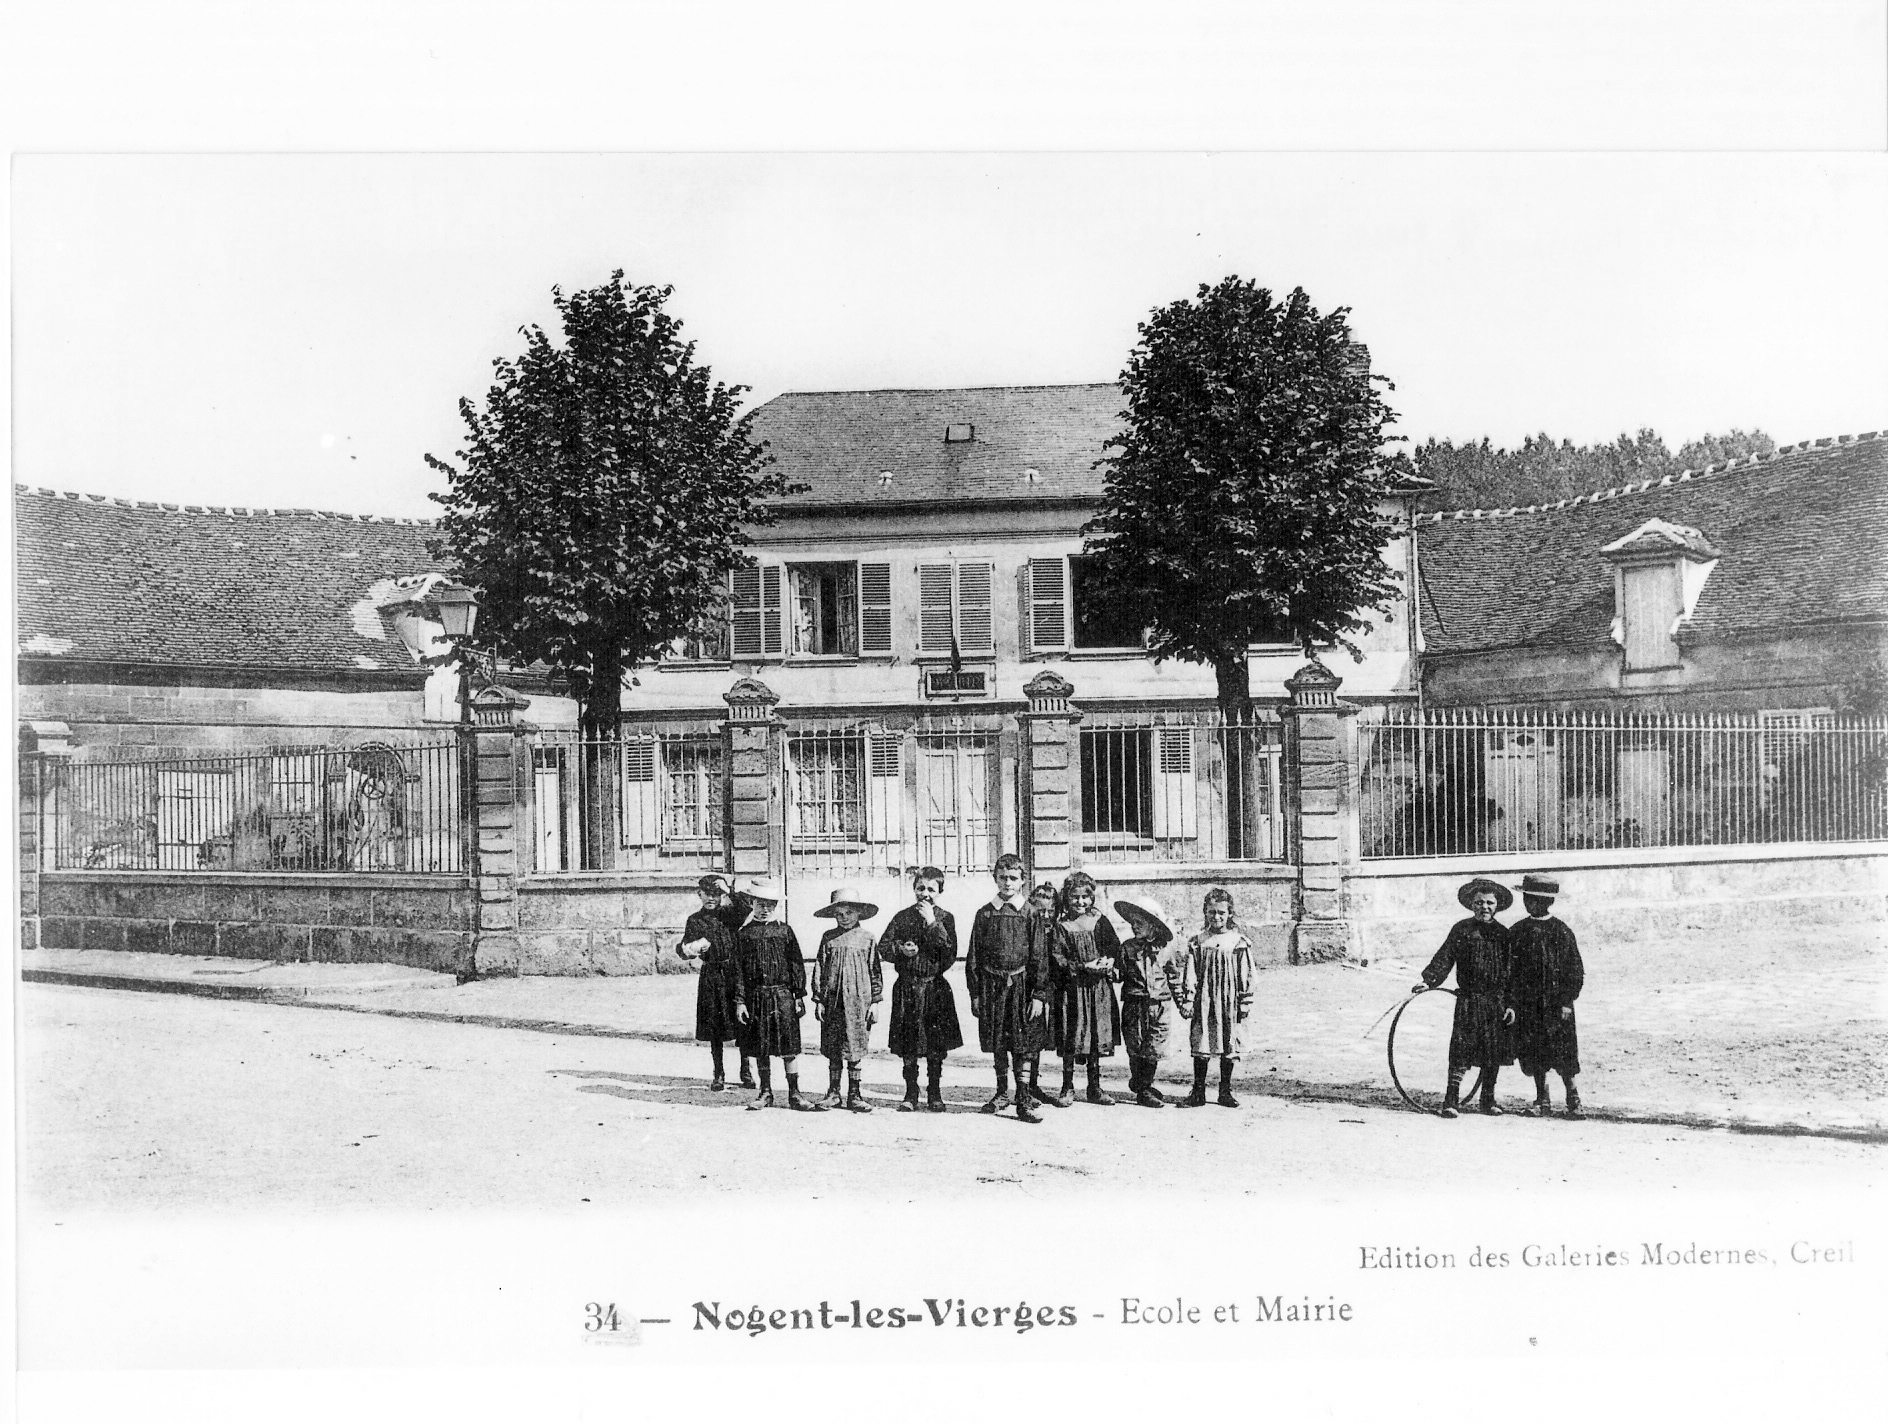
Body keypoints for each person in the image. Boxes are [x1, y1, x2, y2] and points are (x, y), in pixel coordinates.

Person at [1415, 876, 1516, 1119]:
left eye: (1490, 903)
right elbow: (1445, 957)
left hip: (1496, 1003)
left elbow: (1513, 972)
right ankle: (1451, 1101)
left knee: (1493, 1051)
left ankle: (1487, 1100)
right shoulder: (1461, 929)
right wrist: (1429, 980)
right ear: (1471, 904)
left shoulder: (1503, 934)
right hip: (1469, 1000)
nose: (1485, 907)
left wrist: (1511, 1003)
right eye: (1479, 902)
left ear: (1497, 906)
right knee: (1461, 1049)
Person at [962, 853, 1049, 1123]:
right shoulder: (985, 913)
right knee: (999, 1040)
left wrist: (1038, 994)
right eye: (1003, 878)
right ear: (995, 879)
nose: (1008, 883)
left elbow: (1039, 956)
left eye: (1013, 878)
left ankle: (1023, 1096)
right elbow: (974, 955)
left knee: (1022, 1043)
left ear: (1022, 881)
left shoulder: (1030, 913)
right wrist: (976, 994)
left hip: (1021, 987)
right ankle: (1001, 1093)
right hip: (993, 987)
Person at [878, 866, 964, 1113]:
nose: (925, 894)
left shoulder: (946, 918)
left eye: (931, 889)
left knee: (935, 1044)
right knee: (909, 1044)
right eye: (920, 888)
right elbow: (884, 947)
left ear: (940, 891)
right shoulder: (902, 916)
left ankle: (934, 1092)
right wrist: (900, 950)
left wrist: (932, 922)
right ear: (913, 889)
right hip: (907, 989)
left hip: (934, 988)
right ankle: (910, 1092)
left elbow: (949, 953)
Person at [1506, 872, 1586, 1120]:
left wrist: (1566, 1001)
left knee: (1563, 1052)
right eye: (1528, 898)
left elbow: (1575, 969)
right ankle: (1543, 1099)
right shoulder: (1518, 931)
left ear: (1549, 902)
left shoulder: (1561, 931)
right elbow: (1509, 970)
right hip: (1528, 1004)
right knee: (1533, 1050)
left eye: (1538, 900)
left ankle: (1573, 1100)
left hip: (1555, 1004)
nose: (1531, 903)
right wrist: (1511, 1002)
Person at [730, 879, 812, 1112]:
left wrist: (798, 995)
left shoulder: (785, 931)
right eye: (760, 904)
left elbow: (796, 964)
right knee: (760, 1045)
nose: (765, 909)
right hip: (756, 996)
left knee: (789, 1047)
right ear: (751, 903)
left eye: (770, 904)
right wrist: (740, 1001)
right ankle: (765, 1092)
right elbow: (737, 971)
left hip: (782, 995)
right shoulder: (744, 934)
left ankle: (794, 1093)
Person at [1047, 870, 1123, 1106]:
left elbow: (1114, 948)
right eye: (1075, 897)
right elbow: (1057, 957)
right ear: (1067, 898)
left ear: (1092, 898)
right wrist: (1081, 966)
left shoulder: (1100, 921)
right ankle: (1067, 1087)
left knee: (1095, 1035)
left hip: (1098, 989)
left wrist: (1110, 961)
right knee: (1073, 1035)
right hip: (1073, 990)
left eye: (1085, 897)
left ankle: (1095, 1087)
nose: (1081, 902)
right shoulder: (1062, 926)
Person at [674, 872, 754, 1092]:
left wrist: (730, 890)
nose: (711, 898)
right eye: (707, 894)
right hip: (711, 975)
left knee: (742, 1023)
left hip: (735, 973)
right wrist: (689, 949)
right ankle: (718, 1074)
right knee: (714, 1025)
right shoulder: (695, 920)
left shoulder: (729, 914)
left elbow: (747, 908)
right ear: (699, 894)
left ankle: (745, 1071)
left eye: (716, 894)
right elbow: (683, 947)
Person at [1178, 887, 1255, 1108]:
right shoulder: (1199, 941)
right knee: (1202, 1042)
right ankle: (1198, 1091)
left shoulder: (1238, 942)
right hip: (1205, 1000)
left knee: (1228, 1043)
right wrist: (1188, 999)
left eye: (1221, 912)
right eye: (1212, 912)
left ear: (1230, 913)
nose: (1217, 917)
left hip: (1230, 1001)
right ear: (1205, 913)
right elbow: (1191, 973)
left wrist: (1245, 1000)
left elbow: (1246, 974)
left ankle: (1225, 1091)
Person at [810, 886, 884, 1113]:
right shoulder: (828, 938)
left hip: (858, 1004)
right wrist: (819, 1000)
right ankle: (833, 1093)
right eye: (839, 914)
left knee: (855, 1046)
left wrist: (875, 1002)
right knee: (834, 1048)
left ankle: (855, 1094)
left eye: (849, 912)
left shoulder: (868, 939)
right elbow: (819, 969)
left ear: (859, 913)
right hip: (833, 1002)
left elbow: (875, 972)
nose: (844, 918)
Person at [1115, 895, 1186, 1108]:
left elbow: (1174, 978)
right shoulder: (1127, 948)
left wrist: (1183, 1003)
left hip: (1159, 1006)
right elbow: (1120, 973)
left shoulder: (1168, 949)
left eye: (1139, 923)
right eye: (1132, 923)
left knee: (1153, 1046)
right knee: (1136, 1045)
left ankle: (1143, 1084)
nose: (1134, 927)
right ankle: (1143, 1087)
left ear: (1153, 925)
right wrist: (1110, 971)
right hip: (1134, 1005)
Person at [1021, 880, 1063, 1108]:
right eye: (1041, 910)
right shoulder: (1027, 927)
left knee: (1045, 1037)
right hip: (1032, 988)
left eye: (1051, 910)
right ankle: (1026, 1087)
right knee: (1030, 1035)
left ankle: (1035, 1083)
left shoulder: (1058, 930)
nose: (1046, 915)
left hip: (1053, 988)